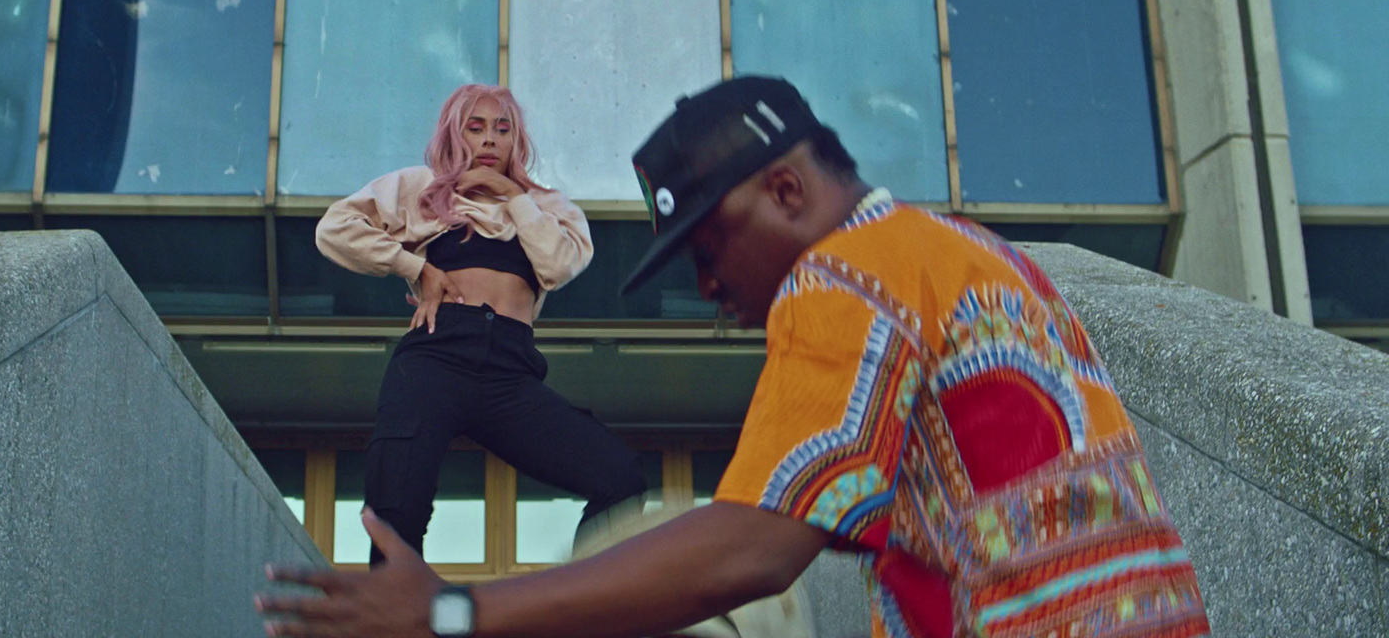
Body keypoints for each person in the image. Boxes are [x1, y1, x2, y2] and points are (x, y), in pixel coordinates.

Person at [259, 76, 1210, 638]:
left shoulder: (846, 276)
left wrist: (452, 613)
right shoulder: (976, 254)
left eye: (711, 249)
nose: (709, 288)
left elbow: (752, 548)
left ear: (789, 189)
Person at [313, 83, 646, 566]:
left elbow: (556, 265)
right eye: (476, 127)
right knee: (393, 511)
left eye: (502, 128)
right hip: (436, 352)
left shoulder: (550, 207)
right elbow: (334, 229)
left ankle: (586, 608)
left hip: (510, 371)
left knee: (621, 476)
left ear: (517, 141)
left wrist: (514, 196)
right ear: (455, 134)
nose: (489, 139)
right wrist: (415, 268)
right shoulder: (419, 187)